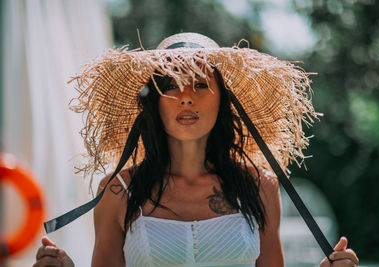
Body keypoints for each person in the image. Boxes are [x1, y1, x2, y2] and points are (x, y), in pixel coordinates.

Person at [33, 33, 359, 267]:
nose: (186, 96)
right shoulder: (119, 191)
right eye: (171, 84)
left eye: (201, 84)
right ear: (154, 102)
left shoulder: (260, 186)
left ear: (224, 100)